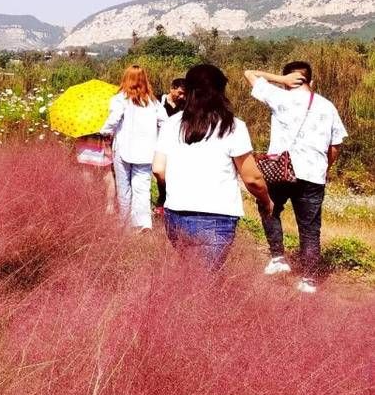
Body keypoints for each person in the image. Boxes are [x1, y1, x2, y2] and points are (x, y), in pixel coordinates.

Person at [153, 65, 274, 270]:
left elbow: (158, 169)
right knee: (204, 283)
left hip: (176, 214)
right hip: (216, 216)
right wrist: (266, 201)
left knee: (188, 274)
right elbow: (252, 178)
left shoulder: (172, 124)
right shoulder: (232, 126)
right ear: (220, 91)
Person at [244, 62, 348, 293]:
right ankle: (309, 280)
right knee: (310, 228)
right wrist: (324, 167)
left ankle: (278, 258)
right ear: (312, 80)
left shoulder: (280, 97)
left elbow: (249, 74)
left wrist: (280, 81)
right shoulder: (327, 106)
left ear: (288, 78)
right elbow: (336, 144)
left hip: (280, 170)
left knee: (269, 208)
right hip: (313, 175)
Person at [100, 65, 167, 231]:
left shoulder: (120, 99)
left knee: (124, 187)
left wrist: (104, 131)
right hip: (146, 152)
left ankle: (125, 223)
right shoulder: (152, 101)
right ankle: (143, 223)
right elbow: (165, 122)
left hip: (123, 150)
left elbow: (114, 119)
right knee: (142, 188)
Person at [154, 77, 187, 213]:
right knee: (160, 173)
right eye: (179, 92)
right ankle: (162, 201)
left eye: (184, 94)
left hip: (178, 144)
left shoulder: (186, 105)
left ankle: (172, 202)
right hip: (159, 143)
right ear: (171, 89)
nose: (182, 96)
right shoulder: (157, 101)